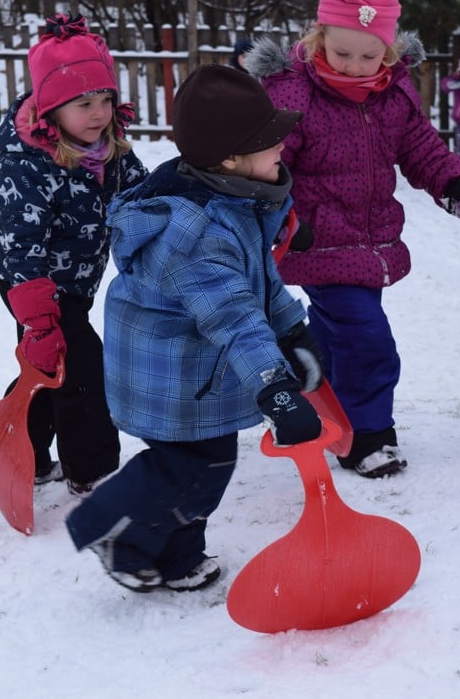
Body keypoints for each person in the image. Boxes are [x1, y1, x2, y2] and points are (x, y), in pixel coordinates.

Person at [247, 0, 460, 479]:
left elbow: (425, 154)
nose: (351, 65)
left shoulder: (393, 94)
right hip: (315, 242)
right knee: (368, 337)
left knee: (340, 334)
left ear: (388, 50)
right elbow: (267, 167)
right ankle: (367, 436)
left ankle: (314, 400)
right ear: (319, 35)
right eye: (340, 51)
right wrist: (280, 224)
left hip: (369, 243)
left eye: (367, 55)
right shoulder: (294, 91)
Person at [64, 64, 323, 592]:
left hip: (197, 367)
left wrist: (293, 333)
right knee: (187, 466)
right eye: (269, 141)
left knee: (207, 462)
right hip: (170, 371)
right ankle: (111, 532)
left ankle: (177, 556)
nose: (282, 149)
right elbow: (234, 317)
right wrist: (273, 384)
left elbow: (259, 284)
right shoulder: (195, 235)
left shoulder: (233, 201)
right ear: (231, 158)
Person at [0, 13, 148, 496]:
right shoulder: (29, 166)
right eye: (82, 104)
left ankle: (21, 450)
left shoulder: (109, 149)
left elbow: (141, 195)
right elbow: (20, 245)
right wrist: (39, 322)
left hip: (72, 281)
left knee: (49, 370)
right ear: (51, 109)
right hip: (28, 280)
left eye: (104, 100)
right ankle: (93, 471)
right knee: (80, 365)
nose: (97, 113)